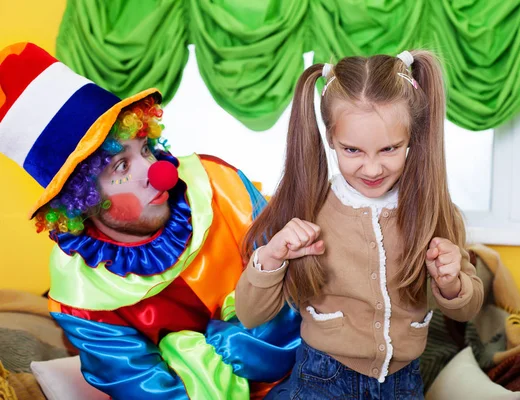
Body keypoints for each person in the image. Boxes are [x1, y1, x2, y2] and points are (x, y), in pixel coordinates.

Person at [0, 42, 301, 399]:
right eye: (121, 166)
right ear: (81, 199)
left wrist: (201, 354)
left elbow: (301, 293)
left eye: (144, 148)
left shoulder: (220, 185)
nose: (158, 172)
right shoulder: (79, 297)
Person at [235, 50, 484, 399]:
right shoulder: (305, 207)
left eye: (389, 149)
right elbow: (249, 315)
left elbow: (469, 308)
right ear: (331, 140)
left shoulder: (436, 211)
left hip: (404, 383)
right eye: (352, 150)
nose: (371, 169)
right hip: (322, 380)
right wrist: (272, 256)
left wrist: (452, 282)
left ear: (412, 138)